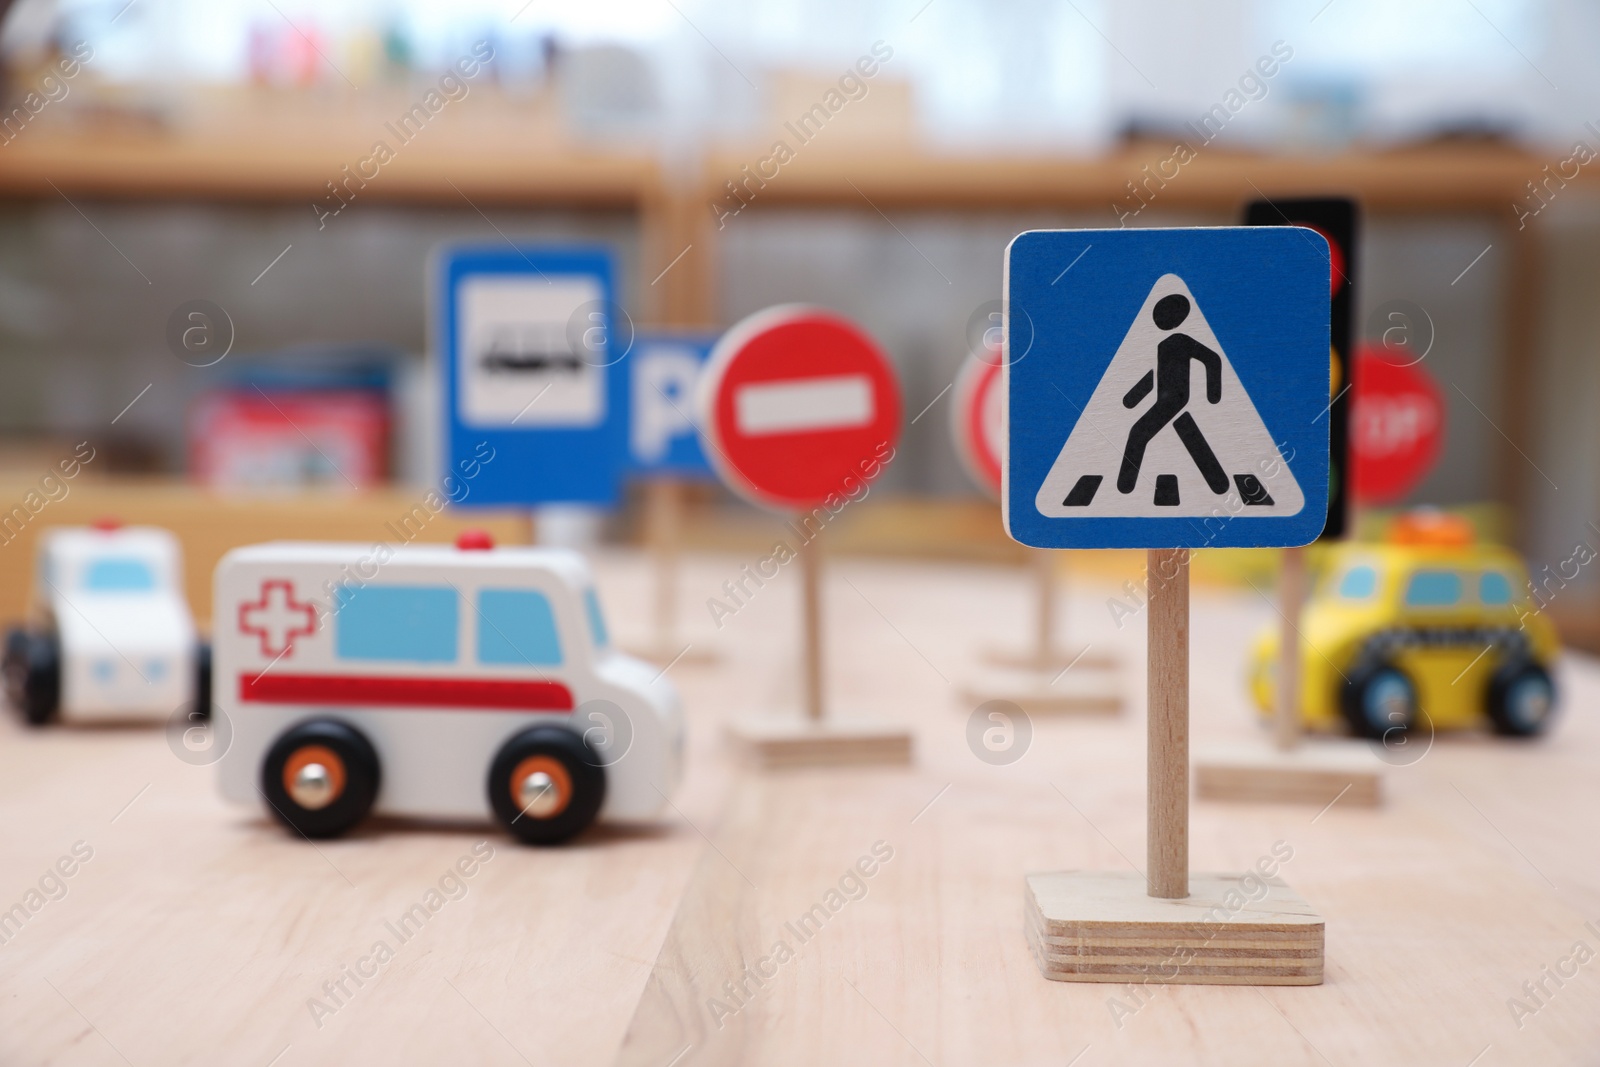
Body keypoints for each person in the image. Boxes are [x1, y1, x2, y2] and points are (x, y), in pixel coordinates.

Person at [1116, 293, 1229, 496]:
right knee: (1189, 434)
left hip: (1175, 399)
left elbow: (1212, 360)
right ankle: (1220, 484)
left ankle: (1125, 486)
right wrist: (1133, 397)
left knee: (1138, 433)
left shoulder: (1181, 340)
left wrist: (1213, 394)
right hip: (1167, 399)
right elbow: (1157, 375)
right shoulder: (1164, 344)